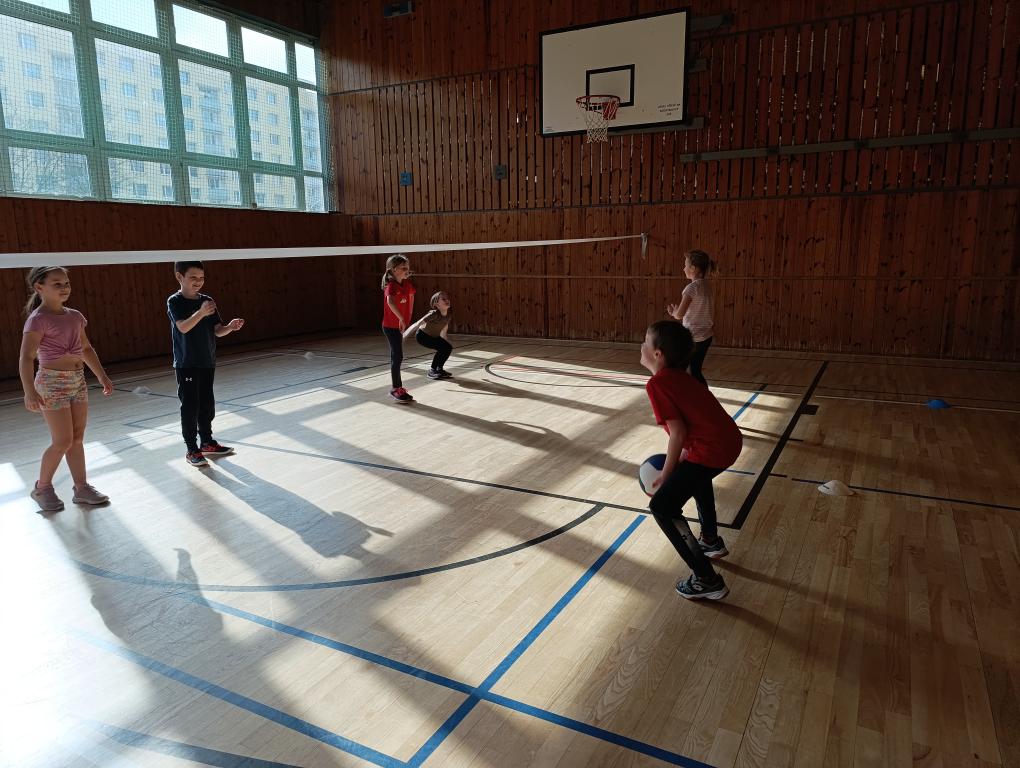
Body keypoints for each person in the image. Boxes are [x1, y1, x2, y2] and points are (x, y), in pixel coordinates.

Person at [640, 320, 742, 600]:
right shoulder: (683, 376)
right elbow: (696, 422)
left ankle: (707, 579)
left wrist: (667, 474)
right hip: (727, 441)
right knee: (697, 475)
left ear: (658, 354)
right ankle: (710, 540)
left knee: (662, 507)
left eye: (646, 341)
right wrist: (684, 457)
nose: (641, 345)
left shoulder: (658, 383)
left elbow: (678, 432)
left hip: (713, 448)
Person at [19, 266, 114, 512]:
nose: (64, 288)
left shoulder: (75, 316)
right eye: (57, 284)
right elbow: (26, 357)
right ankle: (42, 488)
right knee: (62, 440)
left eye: (66, 283)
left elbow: (86, 349)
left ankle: (81, 488)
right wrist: (29, 390)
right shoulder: (38, 319)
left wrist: (101, 375)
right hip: (51, 383)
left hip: (77, 381)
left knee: (77, 438)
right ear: (39, 287)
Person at [167, 261, 244, 467]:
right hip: (187, 363)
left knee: (207, 404)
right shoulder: (175, 301)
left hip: (207, 361)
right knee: (190, 406)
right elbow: (183, 327)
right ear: (179, 277)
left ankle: (207, 442)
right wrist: (200, 313)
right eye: (193, 277)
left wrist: (229, 327)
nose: (198, 282)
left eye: (201, 278)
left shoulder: (207, 301)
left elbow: (217, 330)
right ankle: (192, 449)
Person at [667, 249, 716, 386]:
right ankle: (703, 395)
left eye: (685, 265)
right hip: (706, 336)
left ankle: (683, 394)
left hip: (693, 337)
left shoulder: (691, 288)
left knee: (680, 369)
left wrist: (674, 312)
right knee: (695, 370)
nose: (683, 269)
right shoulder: (707, 286)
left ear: (693, 268)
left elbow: (679, 314)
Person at [381, 255, 415, 403]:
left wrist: (408, 317)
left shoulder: (407, 284)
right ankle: (396, 388)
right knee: (397, 356)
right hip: (390, 327)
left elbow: (411, 296)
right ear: (394, 270)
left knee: (397, 356)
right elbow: (390, 302)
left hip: (400, 326)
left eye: (407, 267)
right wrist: (401, 318)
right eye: (404, 268)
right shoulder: (391, 286)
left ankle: (397, 387)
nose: (407, 270)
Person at [404, 291, 454, 379]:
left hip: (434, 336)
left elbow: (444, 328)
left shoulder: (448, 315)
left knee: (447, 348)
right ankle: (432, 371)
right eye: (443, 299)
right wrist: (404, 335)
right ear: (436, 304)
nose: (447, 300)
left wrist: (445, 341)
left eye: (447, 299)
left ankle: (439, 369)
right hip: (422, 336)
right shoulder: (433, 314)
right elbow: (417, 323)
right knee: (442, 348)